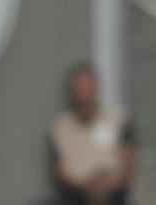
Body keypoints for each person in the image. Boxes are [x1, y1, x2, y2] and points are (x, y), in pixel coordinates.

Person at [50, 61, 137, 205]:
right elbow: (60, 172)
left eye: (88, 89)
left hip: (114, 196)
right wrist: (87, 186)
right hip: (76, 197)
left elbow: (129, 165)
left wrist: (106, 184)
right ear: (73, 93)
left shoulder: (119, 120)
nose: (85, 96)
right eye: (80, 90)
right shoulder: (60, 128)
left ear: (96, 89)